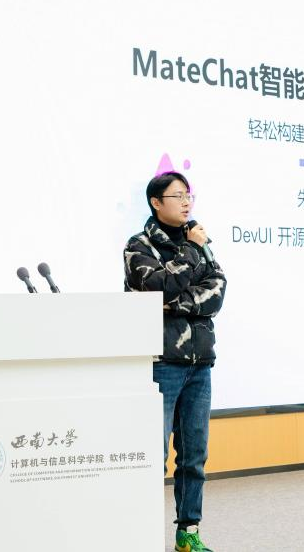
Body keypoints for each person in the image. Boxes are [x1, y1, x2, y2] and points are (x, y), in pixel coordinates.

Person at [124, 171, 226, 552]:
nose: (186, 203)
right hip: (162, 363)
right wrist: (188, 257)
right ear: (156, 202)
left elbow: (218, 290)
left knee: (194, 455)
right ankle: (141, 533)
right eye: (178, 195)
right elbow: (157, 289)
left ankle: (188, 533)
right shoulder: (139, 246)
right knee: (152, 454)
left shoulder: (198, 241)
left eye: (189, 196)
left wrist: (175, 303)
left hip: (200, 363)